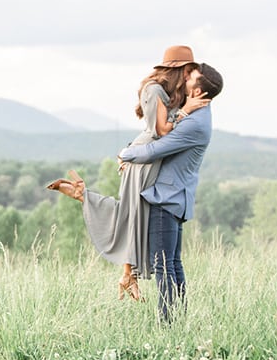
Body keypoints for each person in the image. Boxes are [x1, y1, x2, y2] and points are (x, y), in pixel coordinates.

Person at [46, 46, 209, 301]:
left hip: (148, 157)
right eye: (189, 72)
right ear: (179, 70)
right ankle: (86, 200)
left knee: (134, 214)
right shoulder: (154, 90)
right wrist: (186, 111)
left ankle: (87, 202)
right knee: (132, 213)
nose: (190, 78)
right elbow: (161, 131)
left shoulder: (167, 93)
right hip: (144, 158)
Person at [117, 62, 223, 321]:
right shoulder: (197, 116)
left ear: (197, 92)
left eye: (191, 77)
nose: (186, 79)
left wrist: (125, 153)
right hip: (175, 198)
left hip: (166, 198)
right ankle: (178, 320)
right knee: (172, 264)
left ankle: (168, 324)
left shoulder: (194, 124)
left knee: (163, 266)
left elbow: (156, 149)